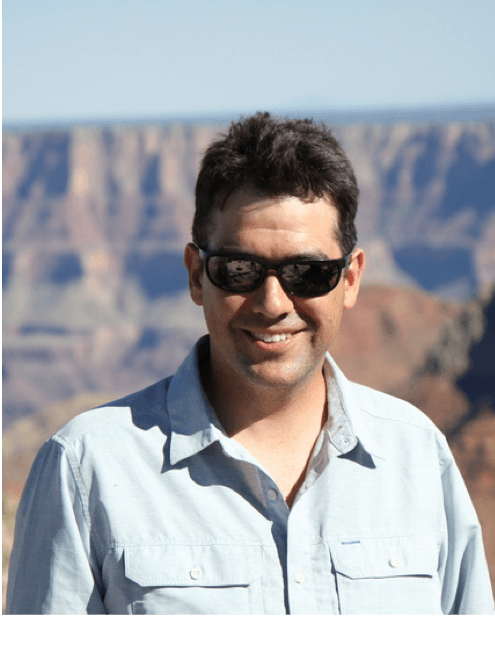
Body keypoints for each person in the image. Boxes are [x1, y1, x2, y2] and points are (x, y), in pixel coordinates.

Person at [6, 113, 493, 615]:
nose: (273, 302)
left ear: (350, 279)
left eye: (308, 272)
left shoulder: (416, 457)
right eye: (240, 269)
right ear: (197, 276)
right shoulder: (88, 469)